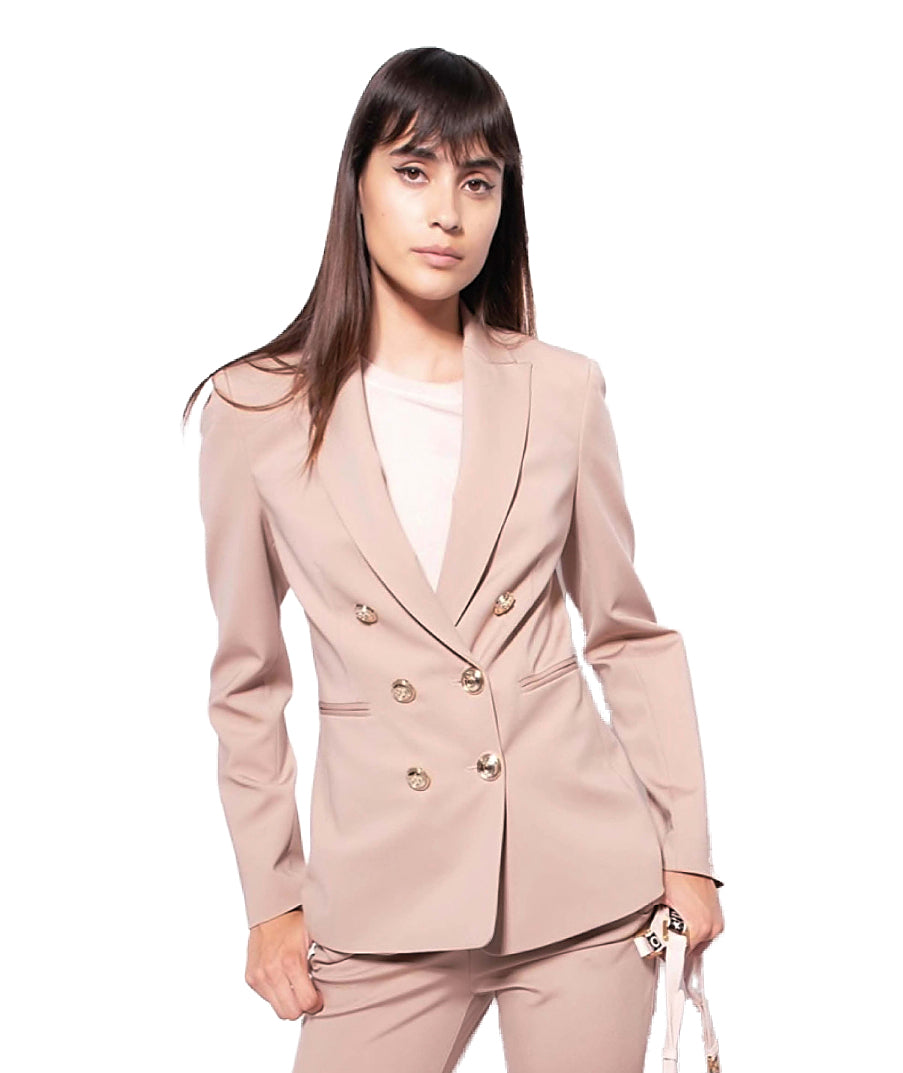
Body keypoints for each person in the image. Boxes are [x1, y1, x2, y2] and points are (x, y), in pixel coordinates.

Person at [183, 45, 725, 1072]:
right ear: (356, 185)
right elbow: (247, 681)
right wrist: (272, 897)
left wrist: (688, 854)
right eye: (413, 170)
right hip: (381, 895)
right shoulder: (253, 410)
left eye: (478, 182)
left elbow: (626, 633)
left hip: (583, 886)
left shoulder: (561, 391)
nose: (448, 212)